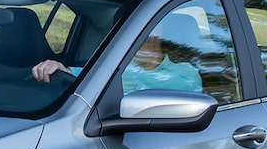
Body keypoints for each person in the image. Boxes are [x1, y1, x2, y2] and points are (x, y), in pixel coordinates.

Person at [30, 18, 203, 95]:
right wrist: (56, 67)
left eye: (152, 26)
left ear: (162, 30)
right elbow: (78, 75)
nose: (145, 34)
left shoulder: (186, 74)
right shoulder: (109, 70)